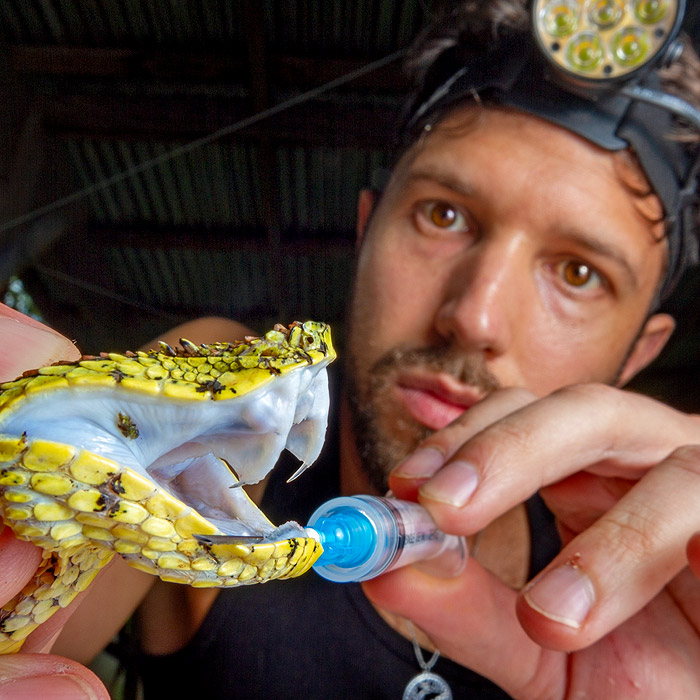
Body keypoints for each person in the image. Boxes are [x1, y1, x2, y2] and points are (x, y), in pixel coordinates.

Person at [7, 1, 700, 697]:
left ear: (642, 352)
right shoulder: (225, 406)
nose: (475, 315)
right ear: (366, 232)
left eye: (578, 274)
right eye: (444, 215)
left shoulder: (662, 593)